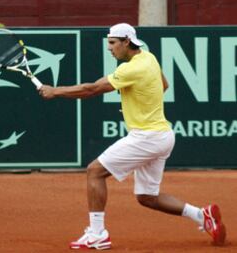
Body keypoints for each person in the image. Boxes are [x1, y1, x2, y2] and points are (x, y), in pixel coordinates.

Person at [38, 23, 226, 249]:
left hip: (147, 136)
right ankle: (201, 215)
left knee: (94, 171)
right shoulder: (149, 58)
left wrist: (55, 91)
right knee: (147, 197)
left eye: (113, 43)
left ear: (127, 42)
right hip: (163, 135)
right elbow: (164, 85)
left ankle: (97, 234)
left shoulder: (130, 69)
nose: (109, 48)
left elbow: (92, 89)